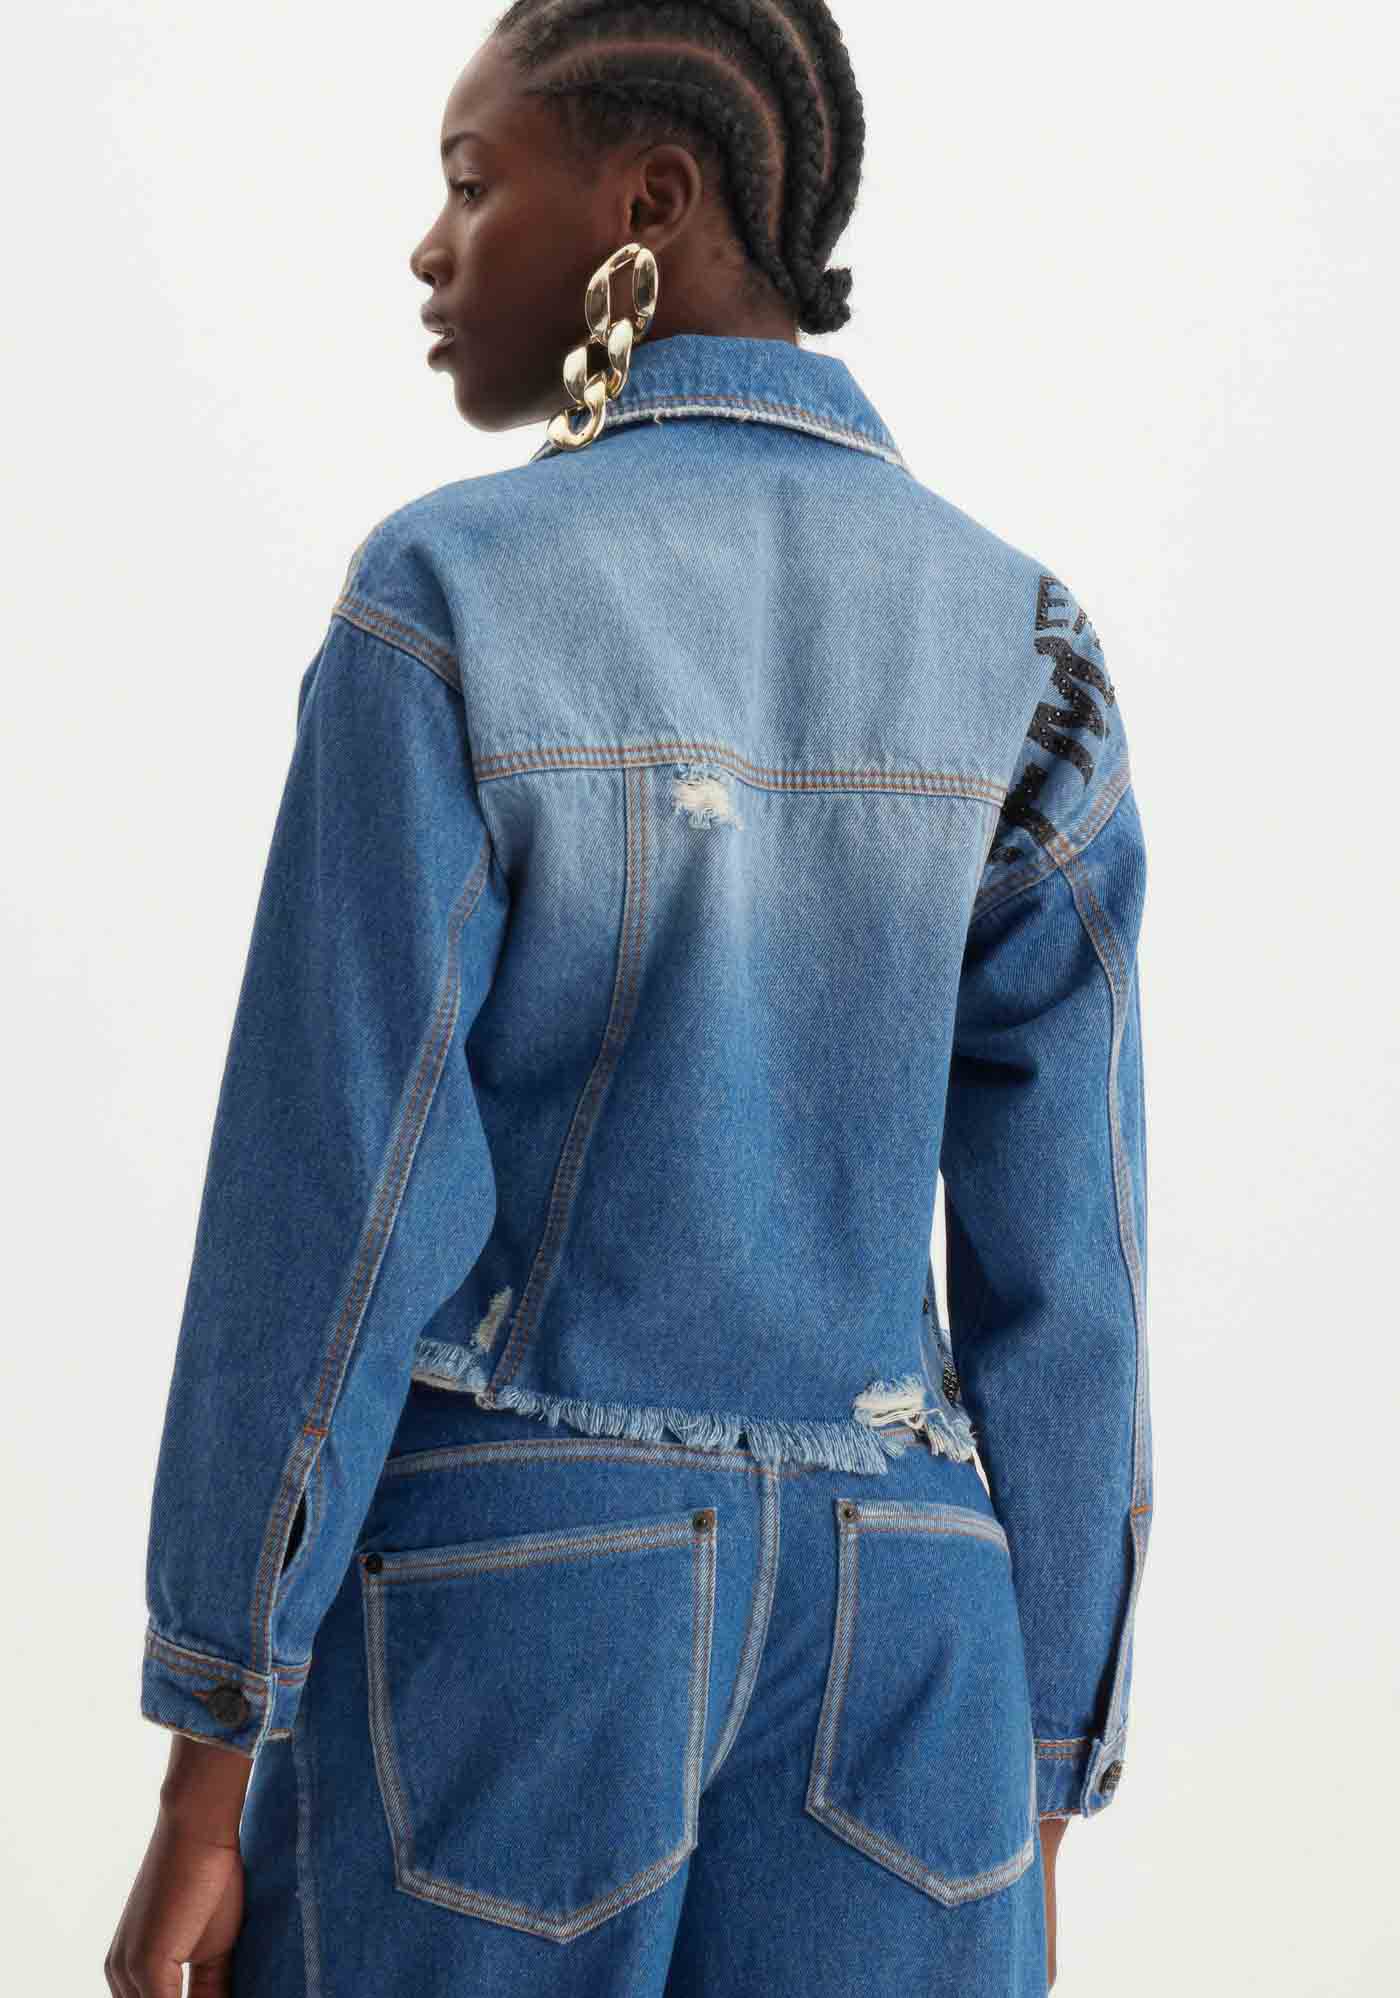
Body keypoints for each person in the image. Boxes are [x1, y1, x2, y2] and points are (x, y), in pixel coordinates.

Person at [106, 6, 1152, 1995]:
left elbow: (333, 1207)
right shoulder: (1028, 645)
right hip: (914, 1627)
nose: (431, 247)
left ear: (649, 204)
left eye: (473, 183)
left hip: (513, 1602)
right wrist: (1034, 1774)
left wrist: (205, 1758)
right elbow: (1070, 1270)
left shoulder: (452, 595)